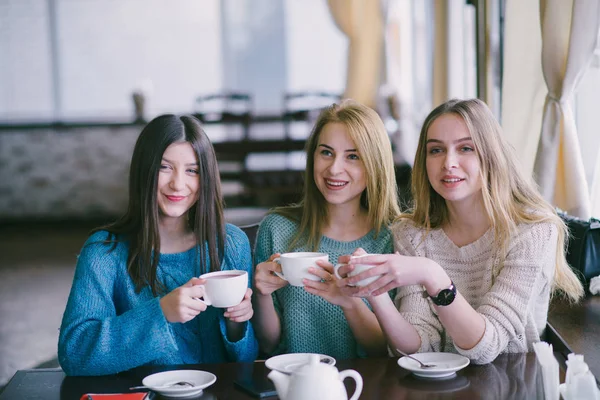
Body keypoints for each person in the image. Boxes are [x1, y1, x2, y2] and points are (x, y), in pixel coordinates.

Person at [336, 98, 584, 364]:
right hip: (437, 389)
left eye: (466, 148)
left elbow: (486, 348)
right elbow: (417, 350)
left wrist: (432, 275)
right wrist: (375, 291)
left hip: (509, 386)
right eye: (436, 150)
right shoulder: (412, 234)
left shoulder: (533, 232)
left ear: (490, 155)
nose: (448, 163)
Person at [58, 115, 258, 376]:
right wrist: (160, 313)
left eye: (192, 170)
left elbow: (248, 359)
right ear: (145, 170)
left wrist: (237, 322)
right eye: (165, 167)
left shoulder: (231, 244)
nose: (178, 183)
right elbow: (75, 354)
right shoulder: (104, 252)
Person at [252, 100, 400, 359]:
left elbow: (389, 350)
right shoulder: (276, 229)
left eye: (352, 156)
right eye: (326, 152)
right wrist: (262, 294)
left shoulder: (394, 239)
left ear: (375, 165)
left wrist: (349, 302)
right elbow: (269, 345)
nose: (334, 168)